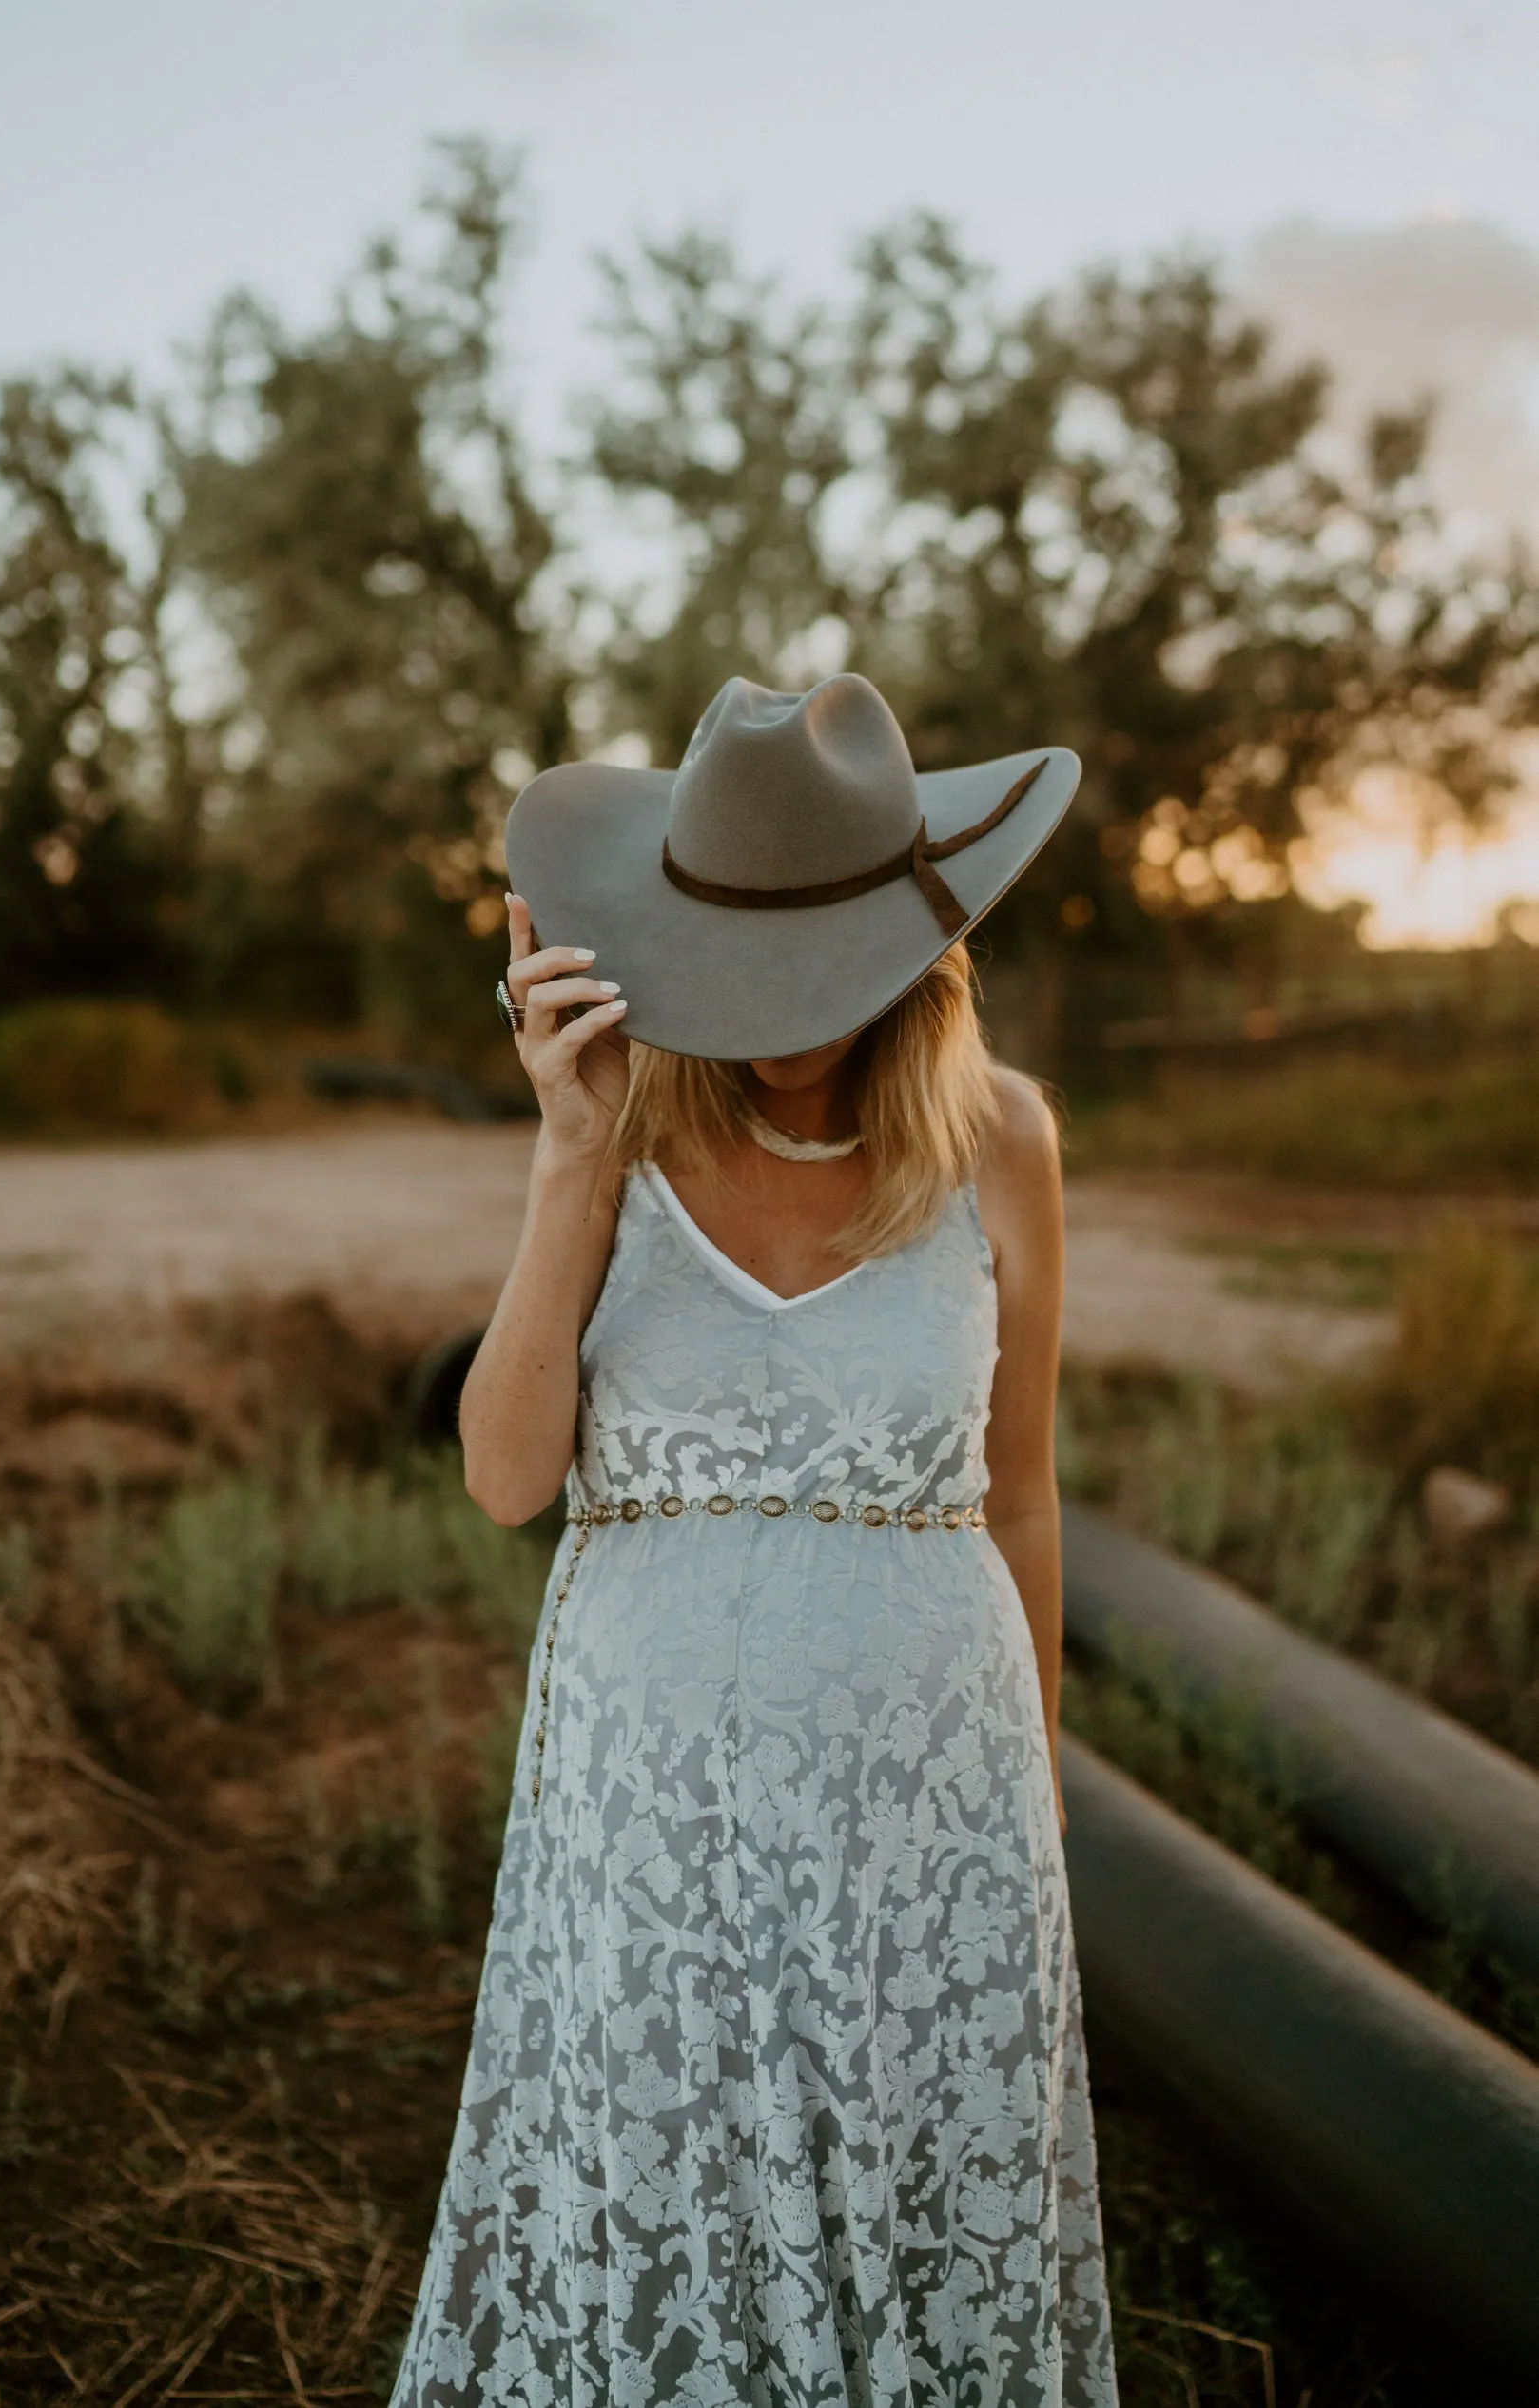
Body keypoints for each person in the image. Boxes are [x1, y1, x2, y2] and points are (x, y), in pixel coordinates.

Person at [390, 675, 1118, 2406]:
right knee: (670, 2195)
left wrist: (1032, 1791)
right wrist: (570, 1153)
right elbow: (503, 1478)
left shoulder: (1003, 1138)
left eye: (829, 963)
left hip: (928, 1792)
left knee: (910, 2193)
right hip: (652, 1808)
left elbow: (1016, 1486)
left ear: (919, 935)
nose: (787, 1019)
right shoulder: (617, 1122)